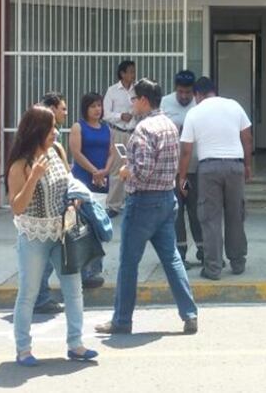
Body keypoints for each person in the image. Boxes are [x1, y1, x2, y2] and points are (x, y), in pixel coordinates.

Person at [95, 79, 199, 336]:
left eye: (134, 99)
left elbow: (142, 170)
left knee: (129, 263)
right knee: (172, 258)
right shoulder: (170, 125)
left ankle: (122, 320)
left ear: (143, 100)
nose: (132, 104)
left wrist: (125, 171)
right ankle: (189, 313)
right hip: (166, 198)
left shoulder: (143, 129)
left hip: (143, 202)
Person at [7, 105, 97, 366]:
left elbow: (69, 183)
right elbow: (17, 207)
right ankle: (23, 349)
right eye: (50, 129)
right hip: (34, 235)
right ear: (37, 131)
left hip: (62, 233)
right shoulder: (20, 164)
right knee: (29, 292)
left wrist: (74, 201)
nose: (55, 133)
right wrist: (33, 177)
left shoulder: (57, 151)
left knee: (74, 288)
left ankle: (76, 344)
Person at [178, 77, 253, 280]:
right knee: (235, 215)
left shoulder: (194, 112)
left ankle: (213, 268)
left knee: (210, 218)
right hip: (235, 166)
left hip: (208, 169)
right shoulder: (234, 106)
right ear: (214, 91)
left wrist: (182, 179)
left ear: (197, 94)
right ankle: (238, 262)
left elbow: (186, 151)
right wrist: (247, 165)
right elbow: (247, 138)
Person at [69, 92, 115, 289]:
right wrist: (94, 171)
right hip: (83, 182)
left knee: (98, 225)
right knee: (83, 227)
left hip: (101, 183)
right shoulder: (78, 127)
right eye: (93, 106)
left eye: (99, 105)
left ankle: (95, 270)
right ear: (85, 109)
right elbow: (76, 153)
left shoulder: (107, 128)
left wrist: (105, 170)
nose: (97, 109)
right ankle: (83, 271)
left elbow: (111, 153)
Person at [33, 91, 70, 315]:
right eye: (63, 108)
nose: (66, 112)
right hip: (43, 210)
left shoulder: (51, 133)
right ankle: (40, 298)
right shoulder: (43, 135)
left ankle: (40, 296)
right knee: (45, 257)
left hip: (53, 206)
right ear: (52, 109)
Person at [162, 70, 204, 267]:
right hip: (174, 171)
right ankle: (180, 253)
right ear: (175, 89)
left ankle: (204, 250)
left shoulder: (200, 103)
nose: (184, 96)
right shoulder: (165, 103)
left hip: (194, 170)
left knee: (196, 210)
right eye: (181, 92)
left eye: (188, 92)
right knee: (177, 211)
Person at [103, 60, 138, 214]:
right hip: (118, 133)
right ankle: (113, 205)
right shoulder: (112, 91)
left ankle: (132, 203)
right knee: (117, 168)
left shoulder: (138, 90)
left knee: (135, 168)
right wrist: (120, 116)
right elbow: (105, 114)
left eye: (134, 71)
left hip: (135, 133)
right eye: (130, 72)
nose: (133, 74)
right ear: (122, 73)